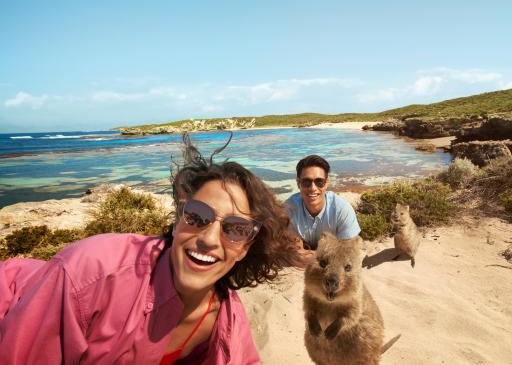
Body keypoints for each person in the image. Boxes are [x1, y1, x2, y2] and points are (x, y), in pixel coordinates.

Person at [0, 134, 301, 364]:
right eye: (197, 216)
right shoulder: (91, 273)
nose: (210, 239)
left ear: (246, 248)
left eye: (235, 229)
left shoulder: (226, 318)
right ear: (177, 219)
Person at [284, 155, 361, 266]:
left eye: (319, 182)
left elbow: (348, 254)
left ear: (326, 183)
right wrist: (331, 254)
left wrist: (309, 254)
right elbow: (297, 255)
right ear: (298, 183)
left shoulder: (341, 209)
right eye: (306, 182)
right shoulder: (289, 209)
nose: (313, 188)